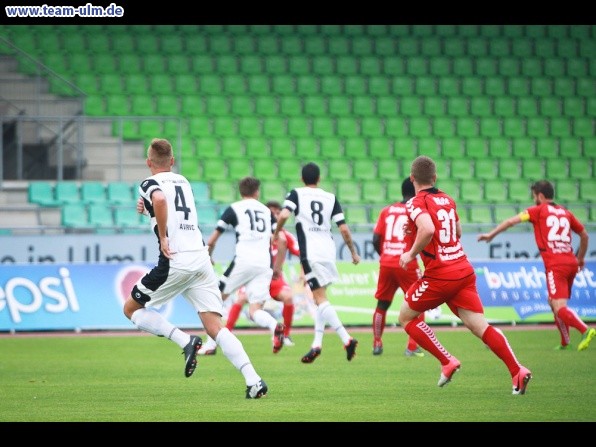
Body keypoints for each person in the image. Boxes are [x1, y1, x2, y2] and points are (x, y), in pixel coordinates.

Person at [122, 138, 268, 399]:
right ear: (172, 161)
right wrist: (149, 213)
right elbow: (170, 209)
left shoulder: (148, 183)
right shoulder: (184, 182)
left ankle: (185, 341)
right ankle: (254, 380)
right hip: (200, 259)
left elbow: (160, 199)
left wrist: (163, 236)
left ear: (148, 163)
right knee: (215, 326)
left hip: (175, 261)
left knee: (131, 309)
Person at [398, 155, 532, 395]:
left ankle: (447, 360)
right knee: (480, 326)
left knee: (407, 317)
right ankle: (517, 371)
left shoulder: (415, 202)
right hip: (463, 269)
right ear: (435, 178)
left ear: (412, 178)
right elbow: (456, 232)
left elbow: (428, 229)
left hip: (440, 275)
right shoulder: (448, 199)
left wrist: (410, 254)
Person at [478, 179, 594, 351]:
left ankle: (586, 330)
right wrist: (580, 259)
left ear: (540, 196)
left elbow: (511, 221)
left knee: (559, 306)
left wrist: (491, 235)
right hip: (570, 262)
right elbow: (584, 235)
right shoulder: (565, 213)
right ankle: (565, 342)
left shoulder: (538, 211)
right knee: (552, 301)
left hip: (556, 265)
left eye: (534, 196)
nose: (534, 200)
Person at [273, 162, 360, 363]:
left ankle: (347, 339)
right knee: (319, 298)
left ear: (302, 179)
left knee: (320, 299)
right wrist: (353, 253)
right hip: (328, 252)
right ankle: (316, 345)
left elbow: (285, 214)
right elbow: (344, 229)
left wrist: (276, 233)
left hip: (310, 253)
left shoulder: (296, 194)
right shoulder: (330, 198)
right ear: (319, 179)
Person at [198, 177, 285, 355]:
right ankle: (274, 325)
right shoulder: (266, 211)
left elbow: (213, 239)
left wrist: (209, 256)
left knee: (214, 298)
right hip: (264, 264)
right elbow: (281, 239)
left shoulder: (234, 209)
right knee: (255, 310)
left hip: (243, 261)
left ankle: (211, 344)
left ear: (241, 191)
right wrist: (277, 266)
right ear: (257, 192)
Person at [224, 200, 301, 347]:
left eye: (278, 213)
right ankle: (227, 332)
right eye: (272, 213)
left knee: (289, 297)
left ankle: (285, 335)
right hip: (255, 276)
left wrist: (302, 272)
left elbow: (302, 254)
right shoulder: (256, 234)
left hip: (275, 280)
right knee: (241, 298)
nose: (275, 215)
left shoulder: (286, 236)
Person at [372, 177, 425, 357]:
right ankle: (412, 346)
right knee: (419, 302)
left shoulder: (386, 211)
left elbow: (375, 239)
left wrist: (386, 255)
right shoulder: (415, 211)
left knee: (382, 304)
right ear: (416, 191)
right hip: (407, 262)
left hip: (387, 262)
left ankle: (377, 343)